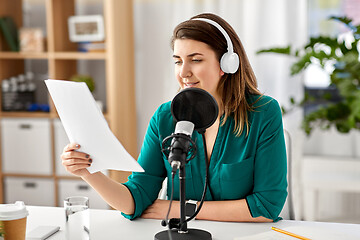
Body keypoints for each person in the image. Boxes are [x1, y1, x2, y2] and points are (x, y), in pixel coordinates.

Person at [61, 13, 287, 223]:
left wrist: (181, 209)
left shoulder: (263, 113)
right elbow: (137, 199)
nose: (183, 72)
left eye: (196, 60)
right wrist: (88, 172)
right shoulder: (165, 117)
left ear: (226, 64)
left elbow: (267, 206)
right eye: (178, 61)